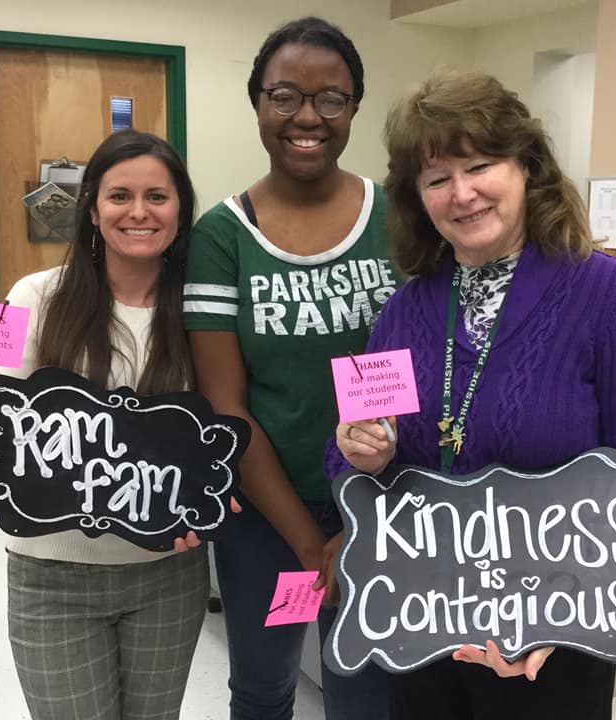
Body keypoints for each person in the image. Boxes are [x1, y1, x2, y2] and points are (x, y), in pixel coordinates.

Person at [327, 70, 616, 720]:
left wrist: (565, 612)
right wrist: (360, 453)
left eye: (479, 166)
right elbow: (353, 468)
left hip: (555, 644)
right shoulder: (403, 311)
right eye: (437, 179)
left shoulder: (609, 296)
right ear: (416, 199)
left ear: (527, 166)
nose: (462, 193)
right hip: (423, 632)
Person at [0, 129, 208, 720]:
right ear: (91, 209)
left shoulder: (200, 307)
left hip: (169, 570)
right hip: (52, 572)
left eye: (157, 197)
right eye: (119, 196)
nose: (138, 212)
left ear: (181, 209)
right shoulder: (34, 295)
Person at [183, 16, 395, 720]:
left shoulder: (397, 220)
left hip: (386, 511)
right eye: (284, 96)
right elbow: (227, 407)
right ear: (258, 104)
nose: (308, 117)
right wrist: (309, 544)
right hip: (271, 525)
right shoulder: (223, 237)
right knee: (267, 686)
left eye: (330, 98)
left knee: (364, 692)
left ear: (354, 107)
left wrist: (358, 528)